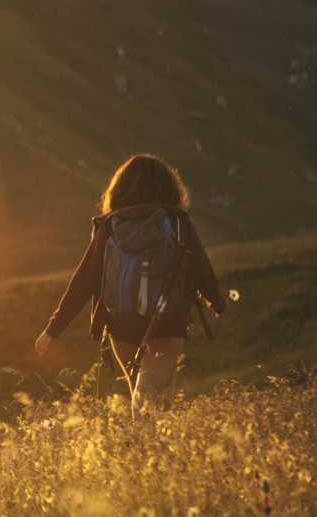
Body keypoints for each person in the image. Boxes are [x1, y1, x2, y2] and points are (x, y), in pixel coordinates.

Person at [35, 154, 226, 408]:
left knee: (143, 397)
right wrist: (218, 303)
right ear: (169, 187)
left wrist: (53, 328)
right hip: (166, 322)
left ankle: (145, 443)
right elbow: (202, 268)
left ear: (120, 188)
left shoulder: (110, 226)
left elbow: (85, 280)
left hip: (122, 325)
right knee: (146, 399)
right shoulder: (178, 222)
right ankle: (147, 442)